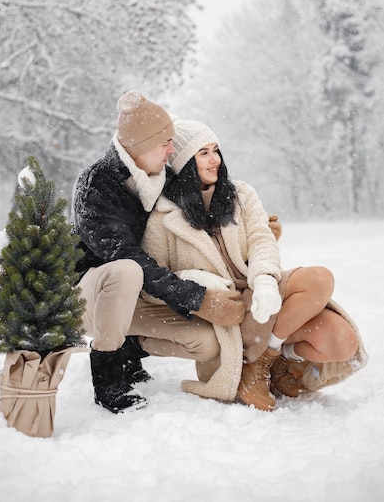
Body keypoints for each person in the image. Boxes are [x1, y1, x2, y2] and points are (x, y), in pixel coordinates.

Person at [141, 117, 367, 411]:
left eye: (216, 150)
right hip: (227, 311)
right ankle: (256, 358)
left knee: (341, 340)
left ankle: (268, 358)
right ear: (183, 162)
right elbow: (153, 280)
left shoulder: (241, 194)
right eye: (204, 153)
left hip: (260, 299)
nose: (215, 161)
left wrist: (263, 281)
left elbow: (262, 241)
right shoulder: (162, 215)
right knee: (319, 281)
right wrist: (193, 279)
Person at [71, 91, 246, 415]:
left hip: (137, 297)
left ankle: (130, 347)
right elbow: (124, 256)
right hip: (89, 297)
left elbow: (197, 212)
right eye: (165, 142)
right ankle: (107, 374)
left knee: (206, 344)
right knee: (126, 269)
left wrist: (242, 226)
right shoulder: (97, 184)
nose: (171, 149)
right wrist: (199, 299)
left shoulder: (157, 179)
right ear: (140, 145)